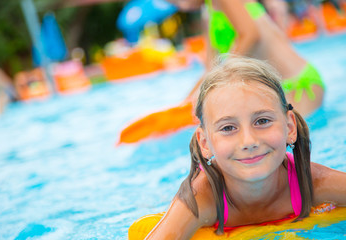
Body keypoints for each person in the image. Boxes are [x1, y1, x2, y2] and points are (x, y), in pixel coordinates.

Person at [144, 57, 346, 239]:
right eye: (228, 127)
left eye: (262, 121)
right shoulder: (203, 198)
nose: (248, 141)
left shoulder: (312, 182)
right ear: (205, 143)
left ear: (289, 127)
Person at [171, 0, 325, 117]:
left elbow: (251, 34)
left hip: (298, 85)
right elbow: (211, 68)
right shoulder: (208, 11)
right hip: (276, 90)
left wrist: (219, 80)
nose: (175, 4)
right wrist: (183, 105)